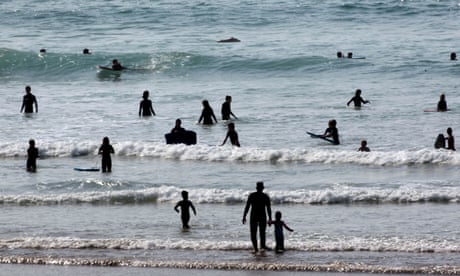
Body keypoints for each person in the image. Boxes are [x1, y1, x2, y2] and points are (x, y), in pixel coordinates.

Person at [242, 181, 272, 253]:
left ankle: (256, 249)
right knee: (262, 233)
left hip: (254, 216)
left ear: (256, 188)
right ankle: (262, 247)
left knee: (253, 233)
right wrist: (270, 218)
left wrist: (244, 216)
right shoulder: (265, 196)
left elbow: (247, 207)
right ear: (263, 188)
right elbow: (268, 208)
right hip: (262, 216)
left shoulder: (252, 195)